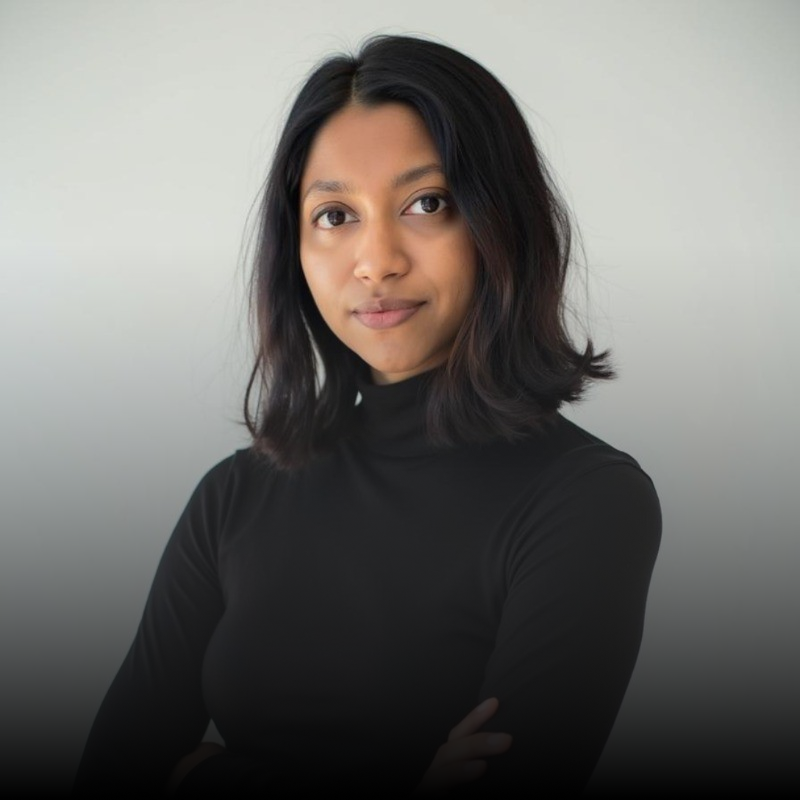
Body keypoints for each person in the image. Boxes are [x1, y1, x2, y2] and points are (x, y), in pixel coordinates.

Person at [73, 34, 661, 797]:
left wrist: (200, 774)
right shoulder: (234, 495)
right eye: (334, 214)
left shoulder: (585, 499)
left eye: (427, 203)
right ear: (294, 247)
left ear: (501, 221)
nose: (376, 260)